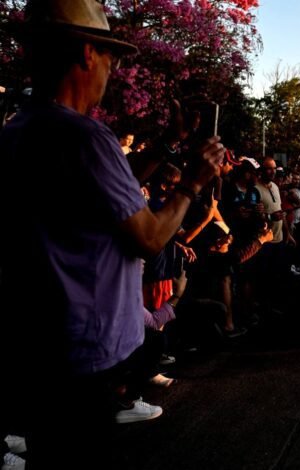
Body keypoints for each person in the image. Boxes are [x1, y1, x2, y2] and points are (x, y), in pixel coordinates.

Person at [0, 1, 224, 467]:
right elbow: (147, 237)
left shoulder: (20, 129)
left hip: (40, 340)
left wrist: (168, 145)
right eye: (110, 57)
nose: (111, 68)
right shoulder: (86, 137)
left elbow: (107, 189)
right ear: (86, 53)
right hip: (87, 349)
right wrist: (192, 182)